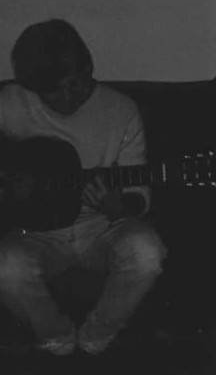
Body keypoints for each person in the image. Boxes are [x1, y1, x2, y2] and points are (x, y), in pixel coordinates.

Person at [0, 19, 166, 357]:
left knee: (147, 252)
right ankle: (56, 338)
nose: (67, 98)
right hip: (36, 232)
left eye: (75, 84)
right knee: (6, 266)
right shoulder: (11, 103)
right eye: (53, 93)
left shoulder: (121, 111)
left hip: (101, 227)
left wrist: (120, 206)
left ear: (88, 67)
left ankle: (96, 336)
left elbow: (141, 193)